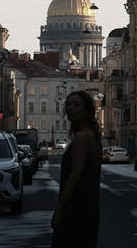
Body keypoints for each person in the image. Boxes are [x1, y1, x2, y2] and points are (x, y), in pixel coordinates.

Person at [51, 90, 102, 248]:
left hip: (75, 207)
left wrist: (58, 210)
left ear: (87, 109)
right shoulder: (93, 135)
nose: (71, 108)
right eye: (68, 105)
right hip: (89, 205)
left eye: (76, 104)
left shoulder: (82, 138)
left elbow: (74, 176)